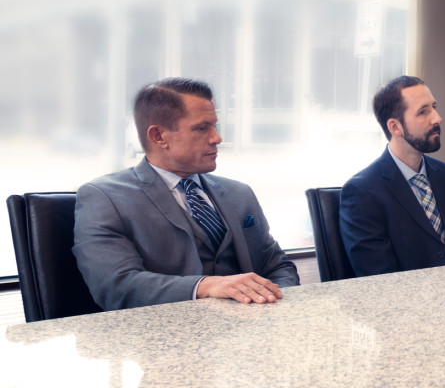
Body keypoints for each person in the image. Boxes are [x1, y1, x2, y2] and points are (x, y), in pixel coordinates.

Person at [74, 78, 298, 310]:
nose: (217, 138)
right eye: (202, 128)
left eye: (215, 126)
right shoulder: (104, 198)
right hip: (163, 337)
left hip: (253, 330)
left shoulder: (239, 193)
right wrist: (204, 286)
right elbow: (116, 286)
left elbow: (279, 267)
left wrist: (273, 307)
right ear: (159, 136)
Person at [340, 76, 445, 276]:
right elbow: (381, 279)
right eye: (423, 112)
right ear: (395, 127)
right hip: (415, 304)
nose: (437, 118)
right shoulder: (362, 193)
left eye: (433, 107)